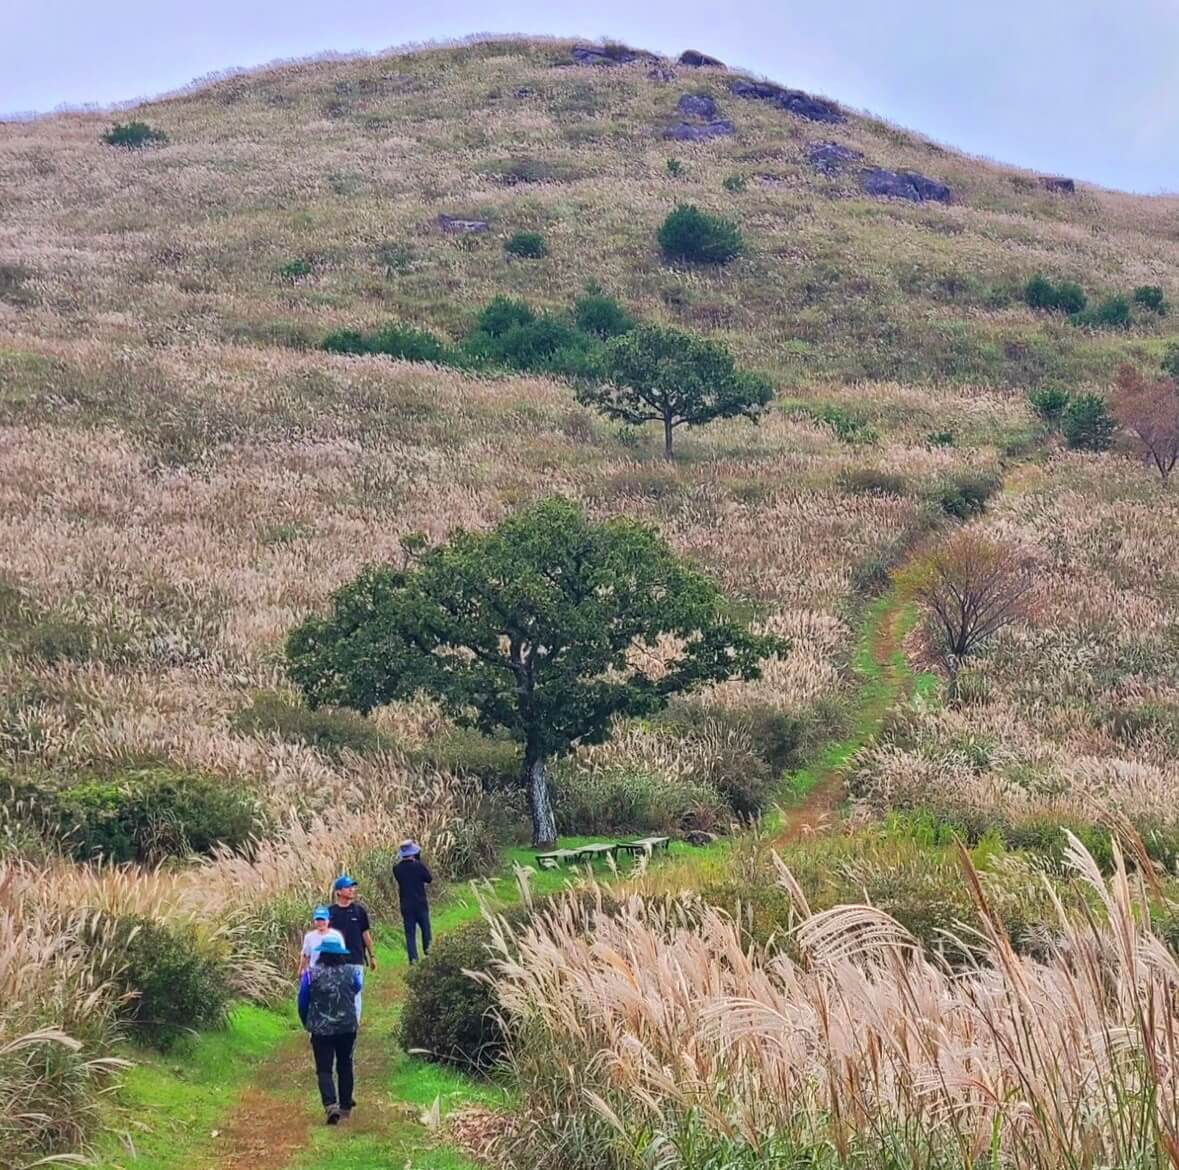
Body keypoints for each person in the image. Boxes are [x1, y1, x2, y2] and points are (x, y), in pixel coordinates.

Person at [297, 936, 360, 1125]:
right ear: (340, 955)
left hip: (321, 1029)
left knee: (324, 1069)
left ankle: (331, 1105)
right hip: (347, 1028)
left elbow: (302, 1001)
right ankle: (346, 1107)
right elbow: (356, 988)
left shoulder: (310, 974)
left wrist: (307, 1022)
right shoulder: (351, 972)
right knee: (345, 1065)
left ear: (322, 954)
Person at [328, 875, 374, 1021]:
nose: (352, 890)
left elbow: (366, 934)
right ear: (338, 892)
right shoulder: (330, 913)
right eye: (348, 888)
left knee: (355, 994)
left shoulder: (359, 911)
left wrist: (372, 956)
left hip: (355, 959)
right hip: (335, 962)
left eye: (352, 887)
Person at [392, 840, 433, 963]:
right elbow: (429, 879)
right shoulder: (418, 866)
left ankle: (413, 959)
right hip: (420, 903)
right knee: (426, 930)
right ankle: (429, 954)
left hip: (406, 905)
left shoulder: (397, 869)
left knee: (410, 934)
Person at [297, 905, 346, 976]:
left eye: (323, 920)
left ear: (328, 920)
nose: (320, 923)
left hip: (334, 972)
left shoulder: (336, 935)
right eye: (318, 920)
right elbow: (305, 955)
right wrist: (301, 970)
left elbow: (342, 955)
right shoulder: (309, 937)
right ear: (314, 921)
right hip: (315, 973)